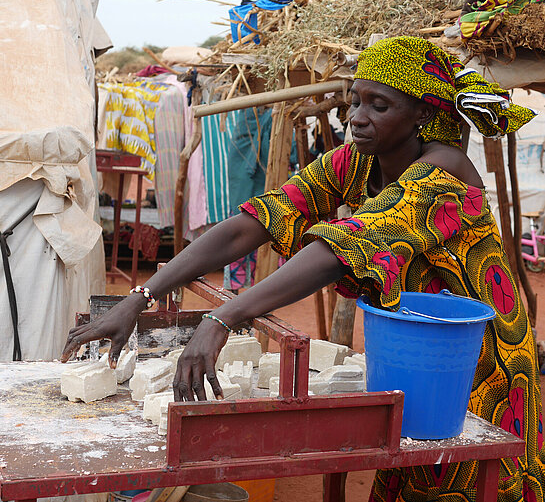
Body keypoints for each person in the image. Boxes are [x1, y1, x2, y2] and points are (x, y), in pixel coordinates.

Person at [62, 36, 544, 502]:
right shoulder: (353, 161)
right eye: (355, 102)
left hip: (476, 354)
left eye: (379, 106)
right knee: (407, 462)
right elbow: (255, 222)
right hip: (412, 341)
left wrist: (223, 318)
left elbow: (341, 248)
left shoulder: (444, 172)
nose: (357, 118)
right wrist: (139, 297)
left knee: (459, 472)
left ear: (421, 114)